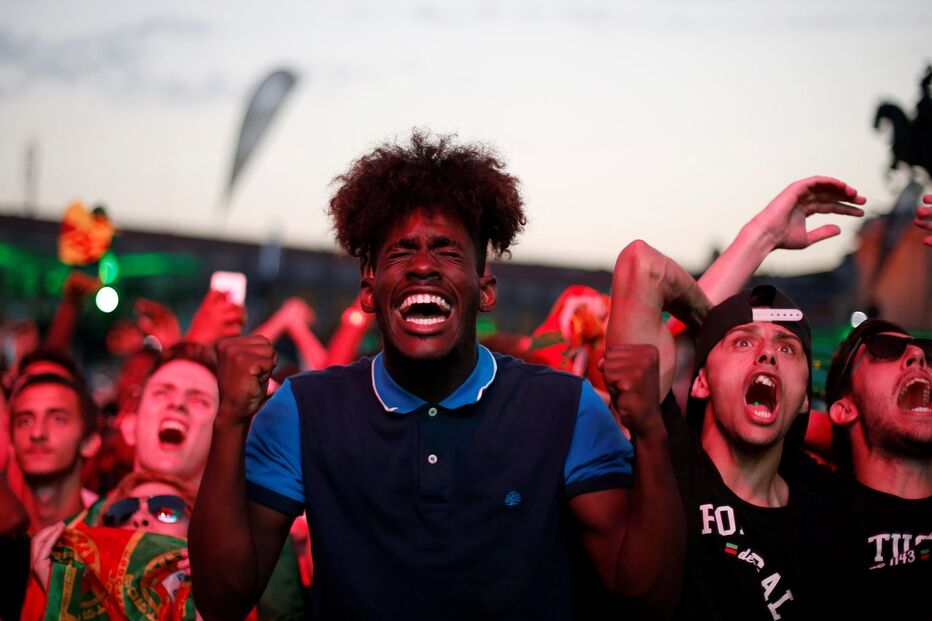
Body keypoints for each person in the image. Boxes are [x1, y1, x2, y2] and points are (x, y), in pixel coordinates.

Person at [190, 131, 685, 619]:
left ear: (485, 290)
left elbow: (645, 599)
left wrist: (651, 432)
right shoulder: (303, 409)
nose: (423, 266)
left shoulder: (566, 408)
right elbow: (222, 599)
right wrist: (230, 419)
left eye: (448, 252)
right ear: (368, 291)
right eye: (401, 251)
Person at [604, 237, 850, 619]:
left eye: (786, 348)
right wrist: (764, 234)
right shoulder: (669, 460)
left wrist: (736, 333)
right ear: (701, 382)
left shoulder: (827, 504)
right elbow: (642, 266)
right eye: (742, 343)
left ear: (804, 397)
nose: (767, 353)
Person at [822, 322, 931, 619]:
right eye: (884, 348)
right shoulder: (813, 511)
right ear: (844, 409)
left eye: (929, 353)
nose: (918, 355)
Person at [8, 373, 101, 534]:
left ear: (89, 443)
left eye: (58, 419)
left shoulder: (114, 537)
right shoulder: (6, 537)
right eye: (25, 421)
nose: (37, 433)